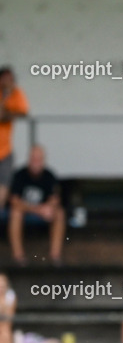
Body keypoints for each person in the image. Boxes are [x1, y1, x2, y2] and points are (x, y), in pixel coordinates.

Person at [8, 145, 65, 265]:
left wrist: (48, 208)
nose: (36, 162)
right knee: (15, 213)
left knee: (59, 213)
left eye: (38, 159)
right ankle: (18, 256)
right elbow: (14, 201)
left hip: (43, 213)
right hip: (25, 211)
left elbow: (55, 199)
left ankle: (55, 256)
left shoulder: (49, 175)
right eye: (33, 159)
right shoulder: (20, 175)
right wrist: (37, 210)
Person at [0, 66, 30, 208]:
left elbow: (23, 112)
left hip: (5, 149)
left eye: (10, 79)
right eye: (4, 79)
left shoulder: (16, 93)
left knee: (4, 183)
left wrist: (8, 111)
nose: (7, 82)